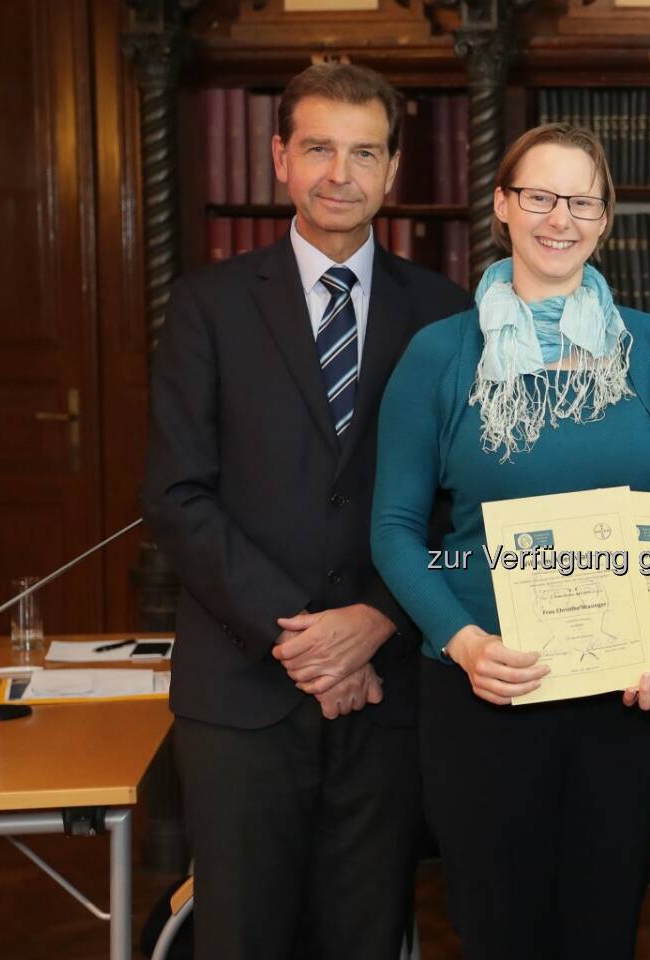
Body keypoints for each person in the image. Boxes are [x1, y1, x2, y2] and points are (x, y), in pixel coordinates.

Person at [141, 63, 472, 959]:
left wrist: (374, 620)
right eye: (319, 147)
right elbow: (176, 494)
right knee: (242, 936)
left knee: (367, 935)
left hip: (389, 689)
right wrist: (305, 639)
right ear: (280, 157)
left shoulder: (447, 315)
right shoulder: (207, 305)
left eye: (364, 152)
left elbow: (462, 502)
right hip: (244, 691)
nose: (340, 173)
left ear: (394, 170)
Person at [370, 123, 650, 960]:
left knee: (602, 928)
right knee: (499, 929)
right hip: (488, 693)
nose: (562, 219)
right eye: (541, 197)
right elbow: (396, 530)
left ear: (605, 217)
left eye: (582, 200)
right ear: (503, 207)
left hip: (625, 699)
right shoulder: (442, 355)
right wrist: (465, 641)